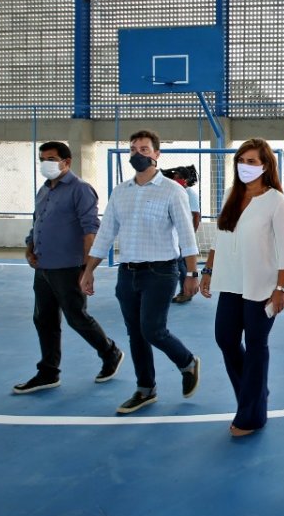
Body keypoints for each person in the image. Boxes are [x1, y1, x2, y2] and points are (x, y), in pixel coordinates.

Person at [80, 130, 201, 415]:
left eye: (144, 149)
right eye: (133, 149)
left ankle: (187, 362)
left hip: (161, 272)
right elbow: (106, 233)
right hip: (128, 273)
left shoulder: (173, 190)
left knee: (153, 329)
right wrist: (89, 270)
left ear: (157, 154)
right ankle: (145, 388)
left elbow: (186, 234)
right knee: (135, 333)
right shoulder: (121, 192)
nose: (138, 154)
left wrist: (191, 274)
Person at [200, 139, 284, 437]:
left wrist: (281, 288)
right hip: (230, 283)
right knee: (226, 339)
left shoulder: (276, 202)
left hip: (262, 287)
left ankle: (251, 416)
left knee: (256, 347)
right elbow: (220, 237)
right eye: (242, 159)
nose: (246, 165)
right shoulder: (231, 195)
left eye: (253, 161)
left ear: (266, 166)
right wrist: (208, 269)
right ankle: (253, 394)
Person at [14, 142, 123, 395]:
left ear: (67, 161)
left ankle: (110, 352)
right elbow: (37, 222)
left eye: (51, 158)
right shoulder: (44, 190)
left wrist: (87, 269)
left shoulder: (80, 190)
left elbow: (90, 230)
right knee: (44, 319)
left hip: (69, 267)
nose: (45, 163)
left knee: (77, 317)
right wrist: (30, 246)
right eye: (42, 158)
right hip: (43, 267)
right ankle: (48, 372)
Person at [164, 165, 202, 304]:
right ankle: (183, 291)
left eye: (179, 177)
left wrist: (189, 236)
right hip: (175, 236)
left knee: (182, 265)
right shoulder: (175, 192)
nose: (176, 179)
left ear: (185, 180)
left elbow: (196, 216)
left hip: (183, 236)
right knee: (178, 265)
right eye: (175, 177)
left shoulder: (189, 194)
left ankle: (186, 292)